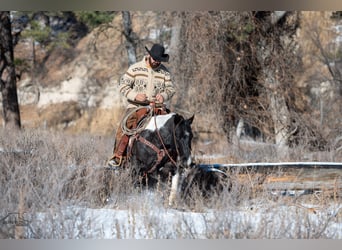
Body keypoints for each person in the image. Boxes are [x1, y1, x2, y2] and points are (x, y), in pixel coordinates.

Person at [107, 43, 175, 168]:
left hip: (158, 108)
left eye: (159, 60)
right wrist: (135, 96)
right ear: (149, 55)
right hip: (136, 107)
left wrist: (164, 96)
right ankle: (118, 157)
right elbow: (122, 86)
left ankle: (176, 157)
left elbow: (171, 89)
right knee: (125, 127)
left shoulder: (165, 72)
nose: (156, 62)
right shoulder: (135, 68)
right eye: (155, 59)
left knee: (175, 127)